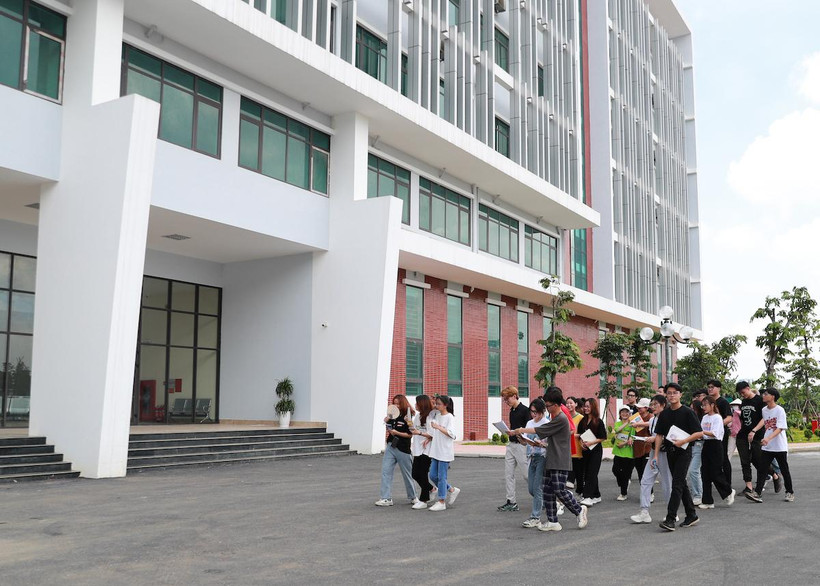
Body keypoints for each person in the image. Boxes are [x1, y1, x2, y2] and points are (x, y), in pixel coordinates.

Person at [510, 387, 588, 532]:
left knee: (559, 490)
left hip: (560, 460)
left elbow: (540, 430)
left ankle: (579, 510)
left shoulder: (561, 418)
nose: (546, 408)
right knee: (547, 490)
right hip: (550, 457)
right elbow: (553, 439)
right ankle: (553, 521)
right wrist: (542, 444)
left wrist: (520, 430)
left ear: (556, 405)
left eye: (548, 405)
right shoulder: (555, 417)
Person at [654, 382, 702, 531]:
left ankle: (670, 519)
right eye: (669, 393)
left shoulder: (688, 412)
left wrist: (684, 441)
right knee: (681, 483)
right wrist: (655, 455)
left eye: (675, 393)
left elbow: (699, 433)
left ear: (681, 394)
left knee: (676, 484)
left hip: (684, 452)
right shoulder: (664, 414)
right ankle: (691, 515)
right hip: (670, 452)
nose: (672, 395)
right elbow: (659, 435)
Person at [630, 395, 673, 524]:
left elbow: (671, 436)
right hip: (654, 453)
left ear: (663, 405)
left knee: (667, 483)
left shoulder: (669, 419)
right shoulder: (653, 420)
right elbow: (649, 426)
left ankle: (672, 513)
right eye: (651, 404)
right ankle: (644, 512)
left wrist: (655, 439)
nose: (652, 407)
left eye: (655, 404)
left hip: (665, 454)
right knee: (645, 480)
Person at [747, 389, 795, 503]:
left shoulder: (780, 410)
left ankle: (789, 492)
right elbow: (764, 421)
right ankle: (757, 493)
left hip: (779, 446)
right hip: (767, 446)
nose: (763, 396)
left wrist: (768, 438)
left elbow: (780, 428)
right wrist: (754, 430)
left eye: (766, 394)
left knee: (784, 470)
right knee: (762, 469)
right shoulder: (764, 410)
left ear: (773, 397)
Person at [376, 395, 417, 507]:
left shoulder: (408, 416)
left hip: (403, 447)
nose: (396, 405)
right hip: (391, 445)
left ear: (403, 403)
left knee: (407, 474)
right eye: (394, 403)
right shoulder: (392, 415)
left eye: (398, 403)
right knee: (386, 471)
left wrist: (397, 433)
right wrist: (387, 421)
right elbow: (389, 426)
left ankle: (413, 496)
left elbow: (410, 434)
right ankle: (386, 498)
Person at [697, 396, 735, 509]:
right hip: (706, 444)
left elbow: (714, 433)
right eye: (702, 405)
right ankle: (707, 501)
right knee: (705, 473)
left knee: (715, 472)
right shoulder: (704, 418)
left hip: (716, 445)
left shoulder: (717, 418)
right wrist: (699, 434)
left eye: (705, 405)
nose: (703, 407)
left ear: (712, 405)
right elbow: (701, 432)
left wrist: (701, 432)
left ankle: (728, 490)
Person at [498, 386, 530, 512]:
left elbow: (528, 430)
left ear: (514, 396)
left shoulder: (525, 410)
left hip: (521, 445)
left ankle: (543, 496)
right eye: (504, 400)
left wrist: (517, 433)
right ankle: (511, 501)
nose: (506, 402)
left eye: (507, 399)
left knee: (527, 475)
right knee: (508, 474)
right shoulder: (512, 411)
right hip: (511, 445)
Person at [520, 398, 550, 528]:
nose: (533, 414)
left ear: (542, 411)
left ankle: (535, 517)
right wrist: (521, 438)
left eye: (536, 412)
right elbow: (525, 442)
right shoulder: (529, 423)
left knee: (537, 487)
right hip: (531, 457)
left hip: (542, 457)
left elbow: (549, 444)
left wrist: (541, 443)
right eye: (532, 411)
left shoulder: (546, 423)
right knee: (531, 489)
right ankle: (550, 501)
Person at [428, 395, 460, 511]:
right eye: (436, 403)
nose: (436, 406)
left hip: (445, 451)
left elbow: (452, 434)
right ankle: (451, 489)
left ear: (445, 405)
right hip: (436, 450)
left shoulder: (449, 417)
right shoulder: (437, 415)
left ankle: (441, 501)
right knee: (432, 475)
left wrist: (438, 427)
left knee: (442, 477)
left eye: (439, 404)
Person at [576, 398, 607, 506]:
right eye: (585, 406)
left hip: (595, 451)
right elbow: (580, 435)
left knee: (592, 473)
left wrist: (591, 442)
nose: (586, 408)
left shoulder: (598, 421)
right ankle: (596, 495)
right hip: (586, 451)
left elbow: (603, 437)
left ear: (593, 407)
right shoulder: (583, 421)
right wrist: (581, 443)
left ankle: (587, 496)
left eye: (588, 406)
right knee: (588, 472)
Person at [736, 381, 764, 495]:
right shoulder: (743, 402)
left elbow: (764, 418)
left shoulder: (760, 400)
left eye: (743, 392)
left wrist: (754, 430)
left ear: (748, 388)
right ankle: (748, 486)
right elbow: (743, 418)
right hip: (743, 433)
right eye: (740, 393)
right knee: (745, 460)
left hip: (757, 433)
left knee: (757, 459)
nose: (742, 395)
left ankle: (774, 474)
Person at [410, 395, 435, 509]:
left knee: (423, 474)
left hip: (427, 449)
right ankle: (431, 489)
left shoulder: (430, 417)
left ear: (422, 404)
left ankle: (423, 500)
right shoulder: (418, 416)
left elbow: (433, 433)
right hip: (417, 448)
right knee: (415, 474)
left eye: (417, 403)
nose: (415, 405)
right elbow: (414, 429)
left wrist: (420, 433)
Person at [707, 379, 733, 486]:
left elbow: (729, 418)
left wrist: (717, 425)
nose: (710, 389)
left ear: (719, 388)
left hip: (721, 434)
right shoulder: (708, 402)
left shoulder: (723, 402)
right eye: (708, 387)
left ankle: (727, 483)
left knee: (723, 457)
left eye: (712, 387)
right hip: (709, 434)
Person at [611, 407, 635, 501]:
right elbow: (617, 430)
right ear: (620, 414)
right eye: (622, 412)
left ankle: (623, 494)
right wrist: (626, 423)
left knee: (625, 474)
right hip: (618, 451)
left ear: (629, 413)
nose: (625, 414)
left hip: (628, 453)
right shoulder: (618, 423)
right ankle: (624, 483)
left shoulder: (633, 425)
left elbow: (632, 437)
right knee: (615, 470)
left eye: (626, 412)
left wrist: (624, 443)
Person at [687, 394, 705, 506]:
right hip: (690, 446)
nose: (691, 411)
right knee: (692, 471)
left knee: (694, 470)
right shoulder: (689, 419)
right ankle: (696, 493)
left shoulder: (702, 420)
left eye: (693, 409)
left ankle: (698, 495)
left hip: (699, 445)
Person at [631, 398, 653, 481]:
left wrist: (639, 424)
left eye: (640, 408)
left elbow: (651, 423)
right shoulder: (636, 416)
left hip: (647, 447)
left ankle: (649, 489)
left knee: (646, 472)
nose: (638, 409)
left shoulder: (651, 417)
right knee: (640, 472)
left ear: (647, 408)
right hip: (637, 447)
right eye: (638, 407)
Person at [565, 397, 584, 491]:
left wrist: (572, 435)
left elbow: (584, 433)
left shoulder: (581, 418)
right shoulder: (564, 417)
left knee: (579, 471)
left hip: (578, 448)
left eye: (571, 403)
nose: (569, 405)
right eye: (567, 403)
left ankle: (581, 491)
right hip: (567, 448)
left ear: (576, 404)